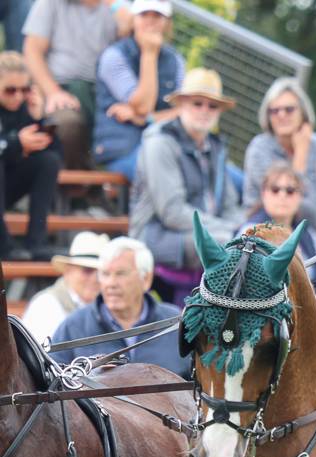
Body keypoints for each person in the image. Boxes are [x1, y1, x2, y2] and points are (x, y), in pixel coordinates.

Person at [129, 67, 242, 306]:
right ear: (180, 104)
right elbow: (172, 213)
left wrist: (241, 229)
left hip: (203, 233)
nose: (205, 111)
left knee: (249, 243)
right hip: (157, 237)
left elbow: (230, 205)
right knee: (234, 248)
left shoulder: (216, 146)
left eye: (212, 106)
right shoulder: (160, 142)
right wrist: (230, 232)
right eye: (197, 103)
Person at [237, 161, 316, 338]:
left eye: (290, 190)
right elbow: (281, 294)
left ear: (300, 196)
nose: (282, 195)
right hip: (275, 324)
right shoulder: (251, 233)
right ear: (264, 193)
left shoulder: (307, 234)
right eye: (275, 189)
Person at [50, 237, 188, 378]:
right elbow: (52, 382)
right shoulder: (73, 326)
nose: (111, 283)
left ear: (146, 279)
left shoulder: (176, 324)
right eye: (105, 274)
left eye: (121, 274)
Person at [22, 0, 124, 169]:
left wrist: (120, 9)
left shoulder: (116, 6)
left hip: (106, 92)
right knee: (67, 123)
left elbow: (133, 41)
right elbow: (32, 51)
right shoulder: (49, 4)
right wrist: (53, 92)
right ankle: (78, 183)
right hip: (61, 88)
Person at [92, 0, 184, 182]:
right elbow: (143, 106)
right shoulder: (114, 55)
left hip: (167, 146)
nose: (150, 21)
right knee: (167, 176)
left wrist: (148, 118)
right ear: (133, 20)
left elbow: (185, 112)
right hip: (123, 150)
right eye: (144, 15)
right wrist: (149, 54)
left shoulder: (176, 60)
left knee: (231, 179)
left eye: (157, 16)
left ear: (167, 23)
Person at [243, 77, 316, 226]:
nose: (281, 115)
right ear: (267, 116)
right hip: (263, 228)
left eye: (289, 109)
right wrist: (301, 153)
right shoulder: (259, 149)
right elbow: (290, 207)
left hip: (307, 230)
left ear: (303, 113)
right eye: (274, 111)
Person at [0, 50, 60, 261]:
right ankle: (3, 245)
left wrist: (39, 120)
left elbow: (56, 153)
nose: (18, 96)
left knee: (48, 162)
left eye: (24, 89)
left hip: (7, 187)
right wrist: (17, 143)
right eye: (10, 90)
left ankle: (37, 243)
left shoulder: (26, 108)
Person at [22, 231, 108, 341]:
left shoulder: (108, 305)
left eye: (102, 273)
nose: (95, 278)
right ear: (68, 271)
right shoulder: (45, 305)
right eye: (87, 270)